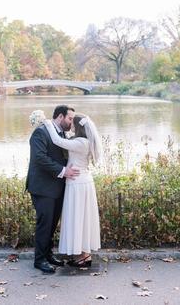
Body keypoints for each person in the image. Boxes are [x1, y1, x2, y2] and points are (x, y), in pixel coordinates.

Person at [26, 105, 80, 274]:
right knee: (44, 224)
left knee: (52, 224)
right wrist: (64, 171)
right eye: (70, 118)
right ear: (60, 116)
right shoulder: (40, 132)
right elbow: (40, 158)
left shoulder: (62, 133)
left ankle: (48, 255)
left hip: (56, 187)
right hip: (42, 187)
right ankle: (39, 260)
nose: (71, 122)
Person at [43, 114, 102, 267]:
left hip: (78, 184)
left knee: (78, 217)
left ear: (78, 127)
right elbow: (68, 139)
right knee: (82, 218)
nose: (71, 126)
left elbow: (57, 141)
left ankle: (84, 256)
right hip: (82, 181)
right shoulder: (82, 141)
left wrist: (47, 122)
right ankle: (83, 256)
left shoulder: (81, 143)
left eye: (73, 123)